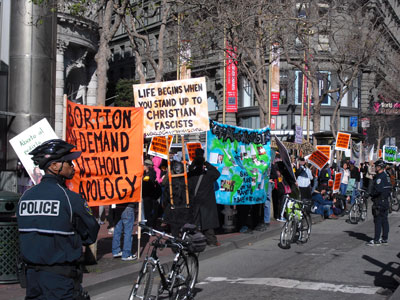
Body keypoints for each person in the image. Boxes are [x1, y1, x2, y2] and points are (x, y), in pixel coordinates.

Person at [17, 139, 99, 299]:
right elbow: (90, 235)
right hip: (61, 282)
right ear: (54, 166)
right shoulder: (70, 199)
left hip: (32, 281)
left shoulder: (25, 197)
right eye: (68, 162)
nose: (73, 166)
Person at [188, 148, 221, 246]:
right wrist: (205, 162)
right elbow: (217, 173)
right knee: (208, 223)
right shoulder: (208, 174)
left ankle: (195, 241)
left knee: (195, 222)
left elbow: (188, 174)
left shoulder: (191, 174)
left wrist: (193, 163)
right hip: (207, 201)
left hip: (196, 201)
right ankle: (211, 241)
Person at [163, 161, 194, 237]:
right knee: (184, 228)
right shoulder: (188, 181)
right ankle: (183, 241)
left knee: (175, 229)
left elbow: (166, 197)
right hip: (184, 208)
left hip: (175, 209)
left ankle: (175, 244)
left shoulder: (170, 182)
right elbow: (192, 195)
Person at [367, 160, 391, 246]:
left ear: (379, 167)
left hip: (379, 201)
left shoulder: (380, 177)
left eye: (376, 166)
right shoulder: (386, 176)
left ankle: (376, 239)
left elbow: (378, 190)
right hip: (385, 201)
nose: (375, 167)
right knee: (385, 220)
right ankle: (385, 238)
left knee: (378, 220)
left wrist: (371, 194)